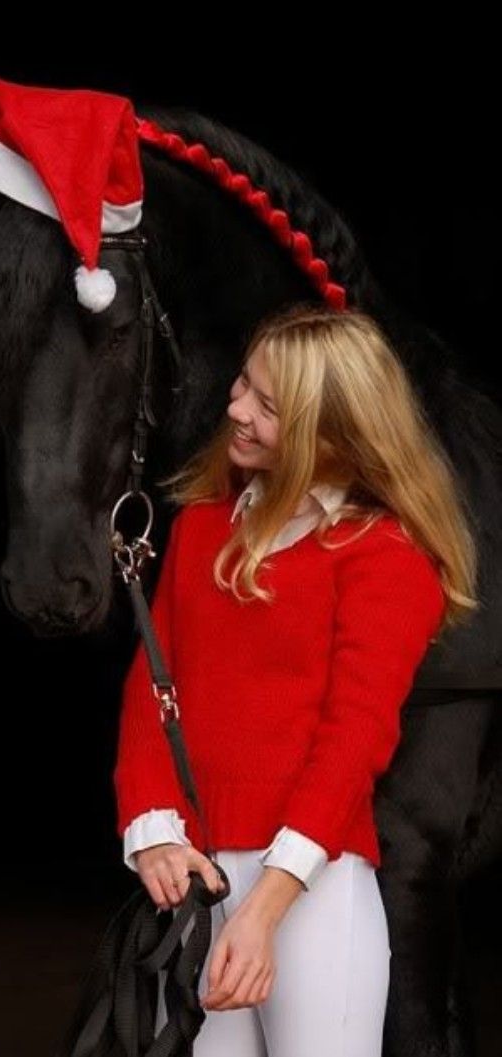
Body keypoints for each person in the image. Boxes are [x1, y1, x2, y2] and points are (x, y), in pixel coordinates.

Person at [112, 302, 478, 1057]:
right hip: (192, 878)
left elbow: (355, 738)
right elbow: (155, 683)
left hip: (311, 889)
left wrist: (265, 907)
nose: (234, 408)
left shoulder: (385, 556)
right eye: (243, 383)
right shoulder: (202, 525)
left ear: (333, 433)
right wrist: (150, 829)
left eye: (267, 405)